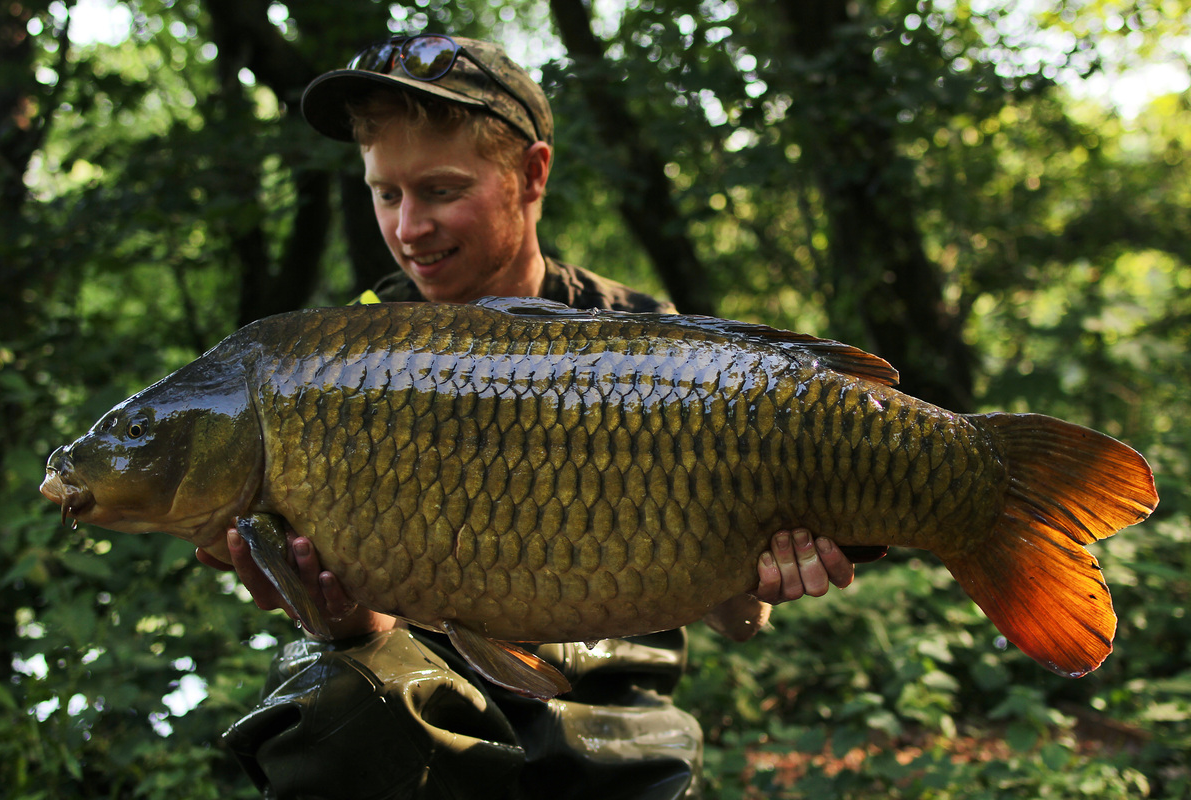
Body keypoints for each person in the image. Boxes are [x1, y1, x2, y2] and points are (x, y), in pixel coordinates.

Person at [197, 34, 859, 800]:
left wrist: (764, 578)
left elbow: (735, 619)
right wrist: (348, 621)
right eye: (386, 194)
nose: (409, 227)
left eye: (441, 191)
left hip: (610, 704)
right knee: (324, 709)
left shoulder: (646, 341)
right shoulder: (342, 360)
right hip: (422, 698)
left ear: (531, 174)